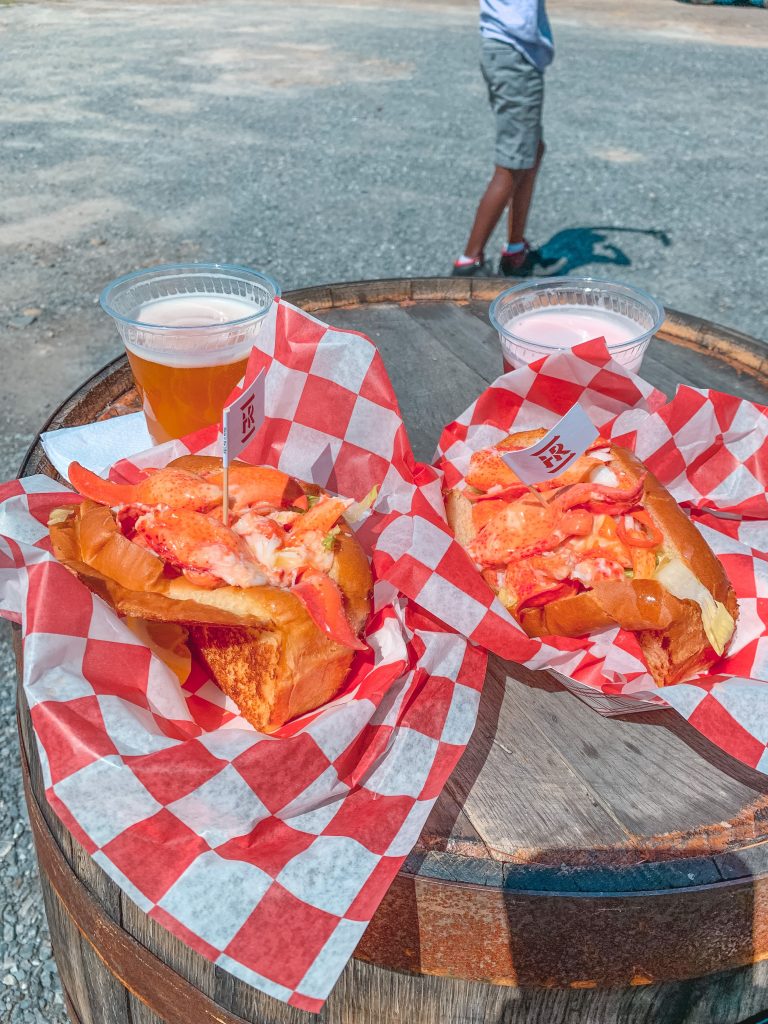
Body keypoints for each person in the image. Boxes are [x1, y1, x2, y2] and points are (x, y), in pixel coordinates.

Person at [452, 0, 554, 277]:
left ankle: (515, 250)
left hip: (511, 50)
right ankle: (468, 263)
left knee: (531, 152)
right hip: (515, 52)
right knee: (514, 163)